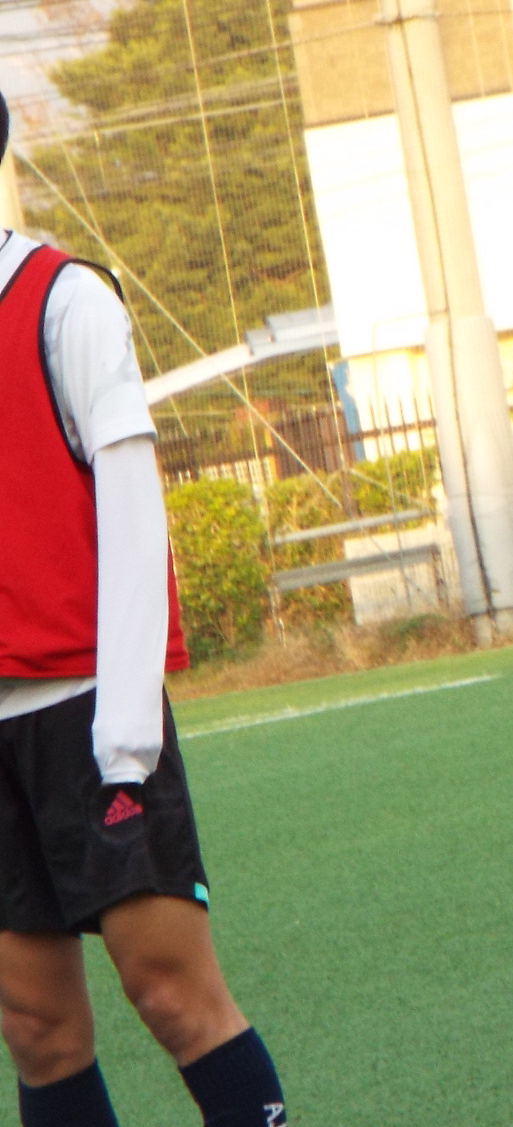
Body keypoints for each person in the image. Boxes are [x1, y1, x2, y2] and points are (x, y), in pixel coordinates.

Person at [0, 95, 287, 1127]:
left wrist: (125, 739)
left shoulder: (63, 302)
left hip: (86, 708)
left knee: (171, 994)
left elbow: (132, 518)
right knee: (36, 1029)